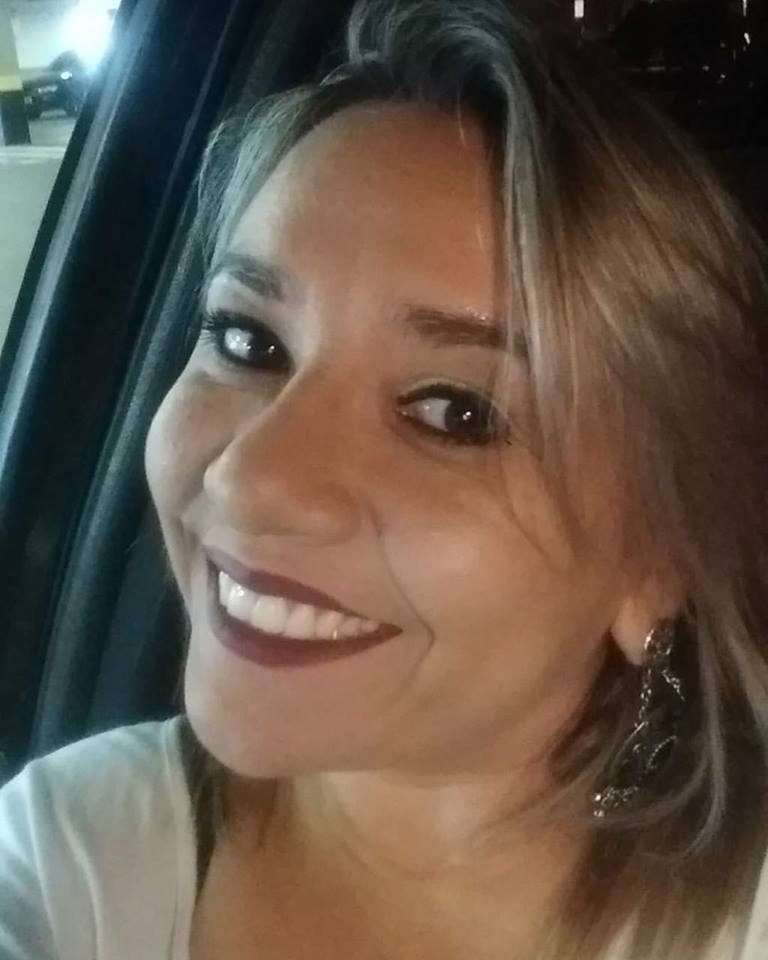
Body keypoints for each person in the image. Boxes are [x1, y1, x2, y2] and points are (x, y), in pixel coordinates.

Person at [2, 1, 768, 957]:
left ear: (659, 557)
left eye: (455, 412)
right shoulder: (65, 854)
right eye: (248, 340)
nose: (249, 480)